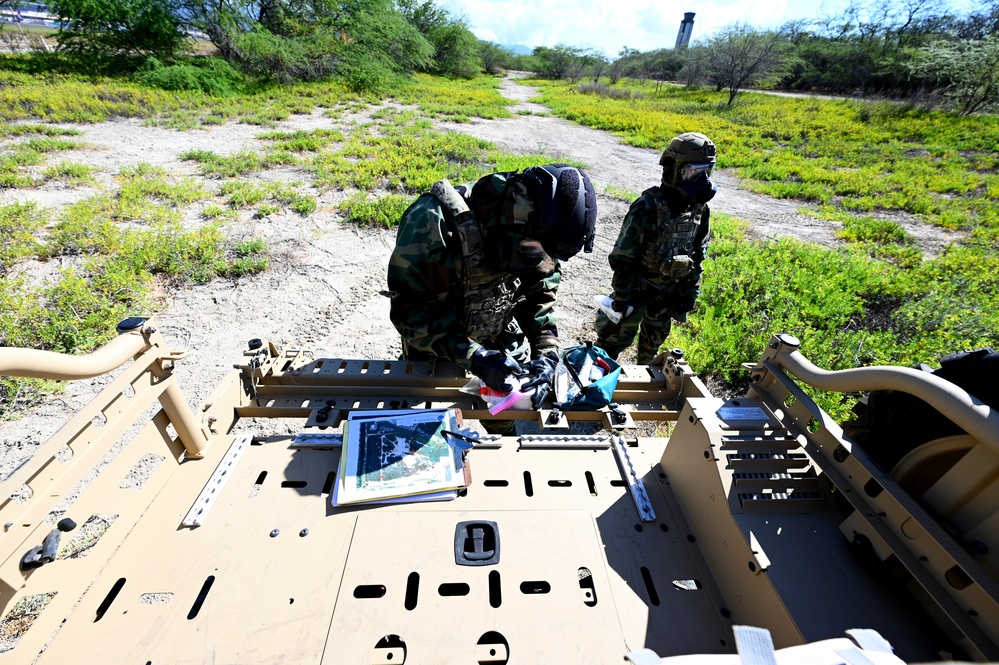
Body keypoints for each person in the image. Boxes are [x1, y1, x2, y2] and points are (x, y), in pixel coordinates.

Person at [387, 164, 597, 413]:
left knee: (505, 411)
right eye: (532, 250)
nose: (538, 259)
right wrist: (474, 356)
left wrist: (546, 351)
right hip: (438, 341)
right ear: (516, 222)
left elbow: (539, 294)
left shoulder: (540, 234)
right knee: (428, 418)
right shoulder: (433, 221)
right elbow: (410, 314)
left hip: (498, 333)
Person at [594, 132, 716, 364]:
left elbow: (699, 254)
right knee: (612, 341)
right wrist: (622, 296)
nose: (703, 182)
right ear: (675, 170)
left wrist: (690, 293)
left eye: (707, 173)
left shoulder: (700, 210)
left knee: (652, 348)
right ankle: (595, 382)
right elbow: (622, 258)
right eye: (696, 173)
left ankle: (645, 384)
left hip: (668, 294)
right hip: (637, 290)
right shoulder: (648, 206)